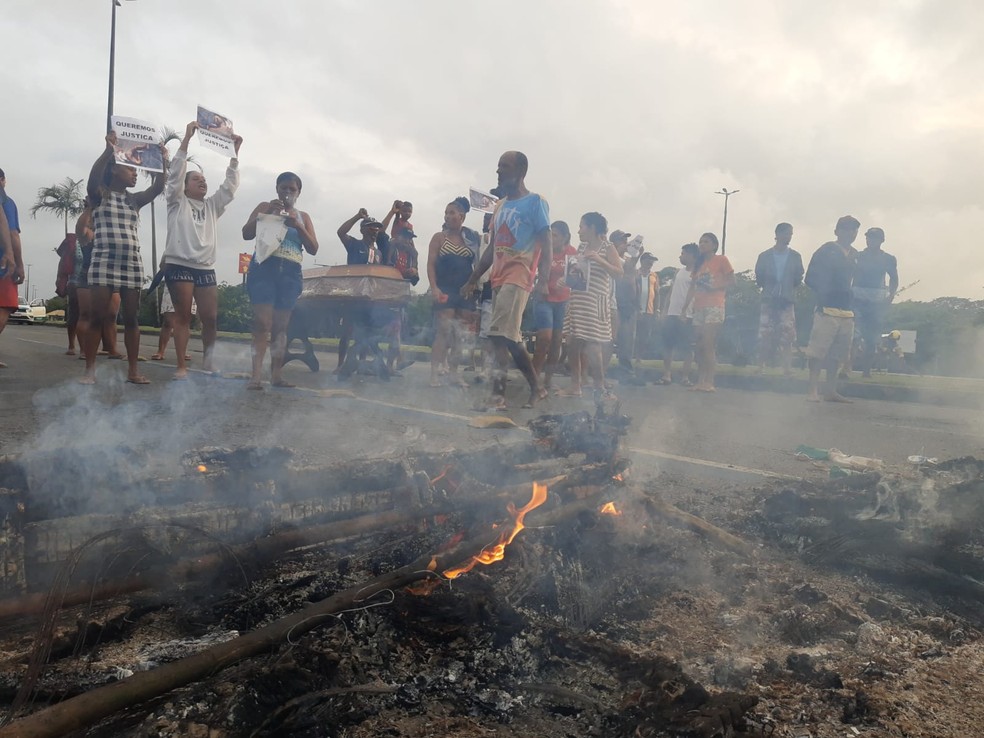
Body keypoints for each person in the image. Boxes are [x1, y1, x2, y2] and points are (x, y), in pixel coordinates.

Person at [461, 151, 552, 409]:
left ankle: (498, 396)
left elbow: (546, 243)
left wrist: (543, 280)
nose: (498, 171)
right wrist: (473, 278)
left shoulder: (536, 202)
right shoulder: (500, 206)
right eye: (498, 166)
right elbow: (492, 249)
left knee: (499, 336)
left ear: (521, 172)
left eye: (505, 166)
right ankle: (537, 388)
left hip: (519, 273)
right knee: (509, 337)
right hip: (499, 278)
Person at [80, 133, 167, 385]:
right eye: (129, 168)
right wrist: (108, 150)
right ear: (115, 170)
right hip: (103, 260)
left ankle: (132, 371)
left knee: (131, 318)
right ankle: (90, 371)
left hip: (130, 263)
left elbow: (158, 188)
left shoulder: (134, 199)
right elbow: (93, 179)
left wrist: (162, 162)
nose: (135, 173)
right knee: (97, 317)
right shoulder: (100, 195)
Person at [163, 121, 242, 378]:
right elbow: (175, 174)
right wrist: (186, 139)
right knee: (183, 317)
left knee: (210, 317)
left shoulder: (212, 206)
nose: (203, 182)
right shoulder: (176, 201)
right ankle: (181, 366)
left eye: (204, 180)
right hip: (180, 265)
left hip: (205, 267)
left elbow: (229, 189)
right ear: (185, 186)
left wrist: (234, 157)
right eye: (196, 179)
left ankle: (208, 361)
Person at [242, 172, 319, 390]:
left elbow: (313, 247)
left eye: (292, 189)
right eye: (283, 188)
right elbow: (246, 233)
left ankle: (276, 374)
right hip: (265, 267)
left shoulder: (303, 216)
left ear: (298, 193)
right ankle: (256, 375)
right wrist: (266, 213)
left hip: (290, 270)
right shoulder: (264, 206)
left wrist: (298, 226)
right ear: (277, 189)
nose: (287, 192)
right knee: (262, 323)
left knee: (281, 326)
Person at [558, 212, 622, 397]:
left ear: (592, 228)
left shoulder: (607, 247)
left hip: (595, 301)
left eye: (582, 226)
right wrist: (566, 280)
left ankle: (599, 386)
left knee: (594, 345)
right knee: (572, 343)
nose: (579, 230)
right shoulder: (582, 247)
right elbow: (578, 273)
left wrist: (599, 259)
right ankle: (575, 385)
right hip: (578, 299)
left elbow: (619, 273)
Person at [804, 215, 860, 402]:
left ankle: (830, 390)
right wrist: (824, 291)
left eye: (853, 229)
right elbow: (810, 277)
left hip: (847, 310)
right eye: (846, 228)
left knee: (838, 354)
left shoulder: (855, 255)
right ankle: (812, 390)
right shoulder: (826, 250)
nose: (850, 233)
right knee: (818, 351)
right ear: (837, 231)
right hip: (826, 308)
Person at [427, 196, 481, 387]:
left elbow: (478, 264)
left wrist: (475, 286)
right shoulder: (439, 238)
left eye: (452, 213)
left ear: (462, 217)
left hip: (465, 291)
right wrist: (434, 287)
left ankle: (454, 373)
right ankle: (434, 373)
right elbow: (431, 265)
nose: (448, 216)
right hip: (445, 289)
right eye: (446, 213)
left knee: (460, 333)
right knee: (444, 330)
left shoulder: (471, 239)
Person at [335, 210, 391, 370]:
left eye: (376, 228)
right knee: (346, 332)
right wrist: (357, 216)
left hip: (371, 300)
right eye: (370, 227)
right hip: (352, 297)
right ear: (362, 230)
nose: (374, 230)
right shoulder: (354, 244)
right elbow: (341, 232)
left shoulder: (379, 253)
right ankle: (340, 365)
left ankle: (361, 364)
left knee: (367, 332)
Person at [682, 232, 734, 392]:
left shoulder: (721, 260)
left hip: (715, 305)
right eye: (700, 242)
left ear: (714, 245)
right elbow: (692, 287)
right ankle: (700, 380)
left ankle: (709, 382)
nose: (702, 244)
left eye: (705, 242)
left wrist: (716, 287)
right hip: (699, 307)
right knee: (699, 345)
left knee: (708, 343)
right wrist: (684, 309)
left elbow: (732, 281)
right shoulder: (699, 264)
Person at [531, 220, 578, 391]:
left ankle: (548, 379)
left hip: (563, 300)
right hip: (543, 298)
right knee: (544, 338)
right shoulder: (543, 250)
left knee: (557, 341)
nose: (552, 238)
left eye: (556, 235)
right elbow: (532, 268)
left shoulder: (572, 253)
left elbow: (576, 277)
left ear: (565, 237)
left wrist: (567, 281)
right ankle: (534, 378)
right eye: (551, 234)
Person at [754, 223, 805, 376]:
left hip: (787, 300)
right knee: (765, 335)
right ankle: (761, 366)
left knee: (788, 336)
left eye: (791, 234)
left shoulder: (796, 256)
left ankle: (787, 368)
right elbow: (759, 277)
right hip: (769, 299)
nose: (789, 237)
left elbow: (798, 277)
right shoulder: (764, 256)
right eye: (786, 233)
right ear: (777, 234)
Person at [853, 227, 898, 378]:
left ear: (881, 240)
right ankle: (846, 368)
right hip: (857, 297)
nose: (870, 240)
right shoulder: (858, 256)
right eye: (869, 237)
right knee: (854, 334)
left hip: (877, 300)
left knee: (871, 338)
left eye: (874, 238)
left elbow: (894, 278)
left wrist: (890, 296)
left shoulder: (888, 259)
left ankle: (866, 371)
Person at [659, 243, 699, 384]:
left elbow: (694, 293)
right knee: (668, 345)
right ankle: (666, 375)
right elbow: (671, 291)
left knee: (687, 347)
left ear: (691, 256)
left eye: (683, 254)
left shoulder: (696, 274)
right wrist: (664, 309)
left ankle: (685, 377)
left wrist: (686, 311)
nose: (680, 256)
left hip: (686, 315)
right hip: (672, 313)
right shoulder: (678, 272)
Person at [384, 224, 419, 375]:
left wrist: (414, 267)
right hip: (388, 294)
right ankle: (395, 362)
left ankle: (392, 364)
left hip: (401, 296)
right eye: (406, 237)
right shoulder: (393, 248)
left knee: (396, 329)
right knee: (394, 329)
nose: (408, 241)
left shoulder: (411, 254)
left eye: (410, 238)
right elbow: (387, 267)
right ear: (399, 236)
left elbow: (415, 279)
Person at [610, 230, 643, 379]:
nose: (626, 243)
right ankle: (617, 370)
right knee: (615, 337)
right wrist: (637, 256)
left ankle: (625, 370)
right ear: (614, 243)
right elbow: (627, 269)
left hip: (630, 304)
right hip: (618, 302)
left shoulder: (627, 259)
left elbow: (634, 280)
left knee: (628, 338)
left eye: (626, 241)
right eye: (622, 241)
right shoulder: (614, 258)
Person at [0, 179, 20, 368]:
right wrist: (16, 260)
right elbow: (13, 233)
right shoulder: (6, 201)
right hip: (3, 264)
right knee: (5, 305)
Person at [151, 285, 195, 362]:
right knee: (168, 321)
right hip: (172, 279)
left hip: (189, 280)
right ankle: (160, 351)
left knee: (184, 321)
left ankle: (182, 352)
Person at [635, 252, 660, 363]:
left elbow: (657, 293)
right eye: (649, 260)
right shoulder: (636, 273)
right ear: (642, 261)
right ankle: (631, 355)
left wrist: (657, 309)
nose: (650, 263)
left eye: (652, 261)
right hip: (635, 310)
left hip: (649, 311)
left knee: (645, 335)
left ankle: (639, 357)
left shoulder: (654, 276)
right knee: (633, 334)